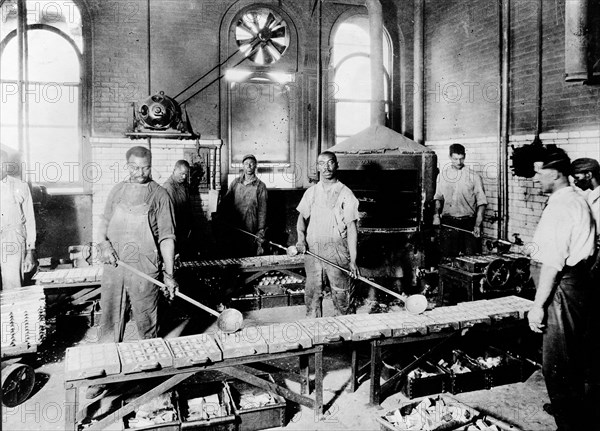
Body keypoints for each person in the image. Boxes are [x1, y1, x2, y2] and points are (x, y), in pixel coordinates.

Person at [527, 149, 595, 431]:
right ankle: (574, 417)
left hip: (561, 289)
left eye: (539, 173)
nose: (536, 178)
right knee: (572, 358)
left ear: (554, 174)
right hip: (576, 283)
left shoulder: (561, 206)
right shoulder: (576, 199)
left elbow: (553, 264)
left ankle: (570, 426)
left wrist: (537, 305)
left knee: (557, 365)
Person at [96, 146, 179, 343]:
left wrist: (169, 274)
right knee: (109, 322)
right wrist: (103, 244)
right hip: (115, 266)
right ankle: (108, 364)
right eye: (135, 168)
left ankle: (150, 366)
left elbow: (167, 238)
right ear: (127, 166)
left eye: (146, 168)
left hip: (144, 268)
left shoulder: (160, 195)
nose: (140, 173)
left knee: (147, 323)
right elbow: (103, 225)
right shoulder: (117, 191)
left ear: (151, 166)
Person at [296, 151, 360, 317]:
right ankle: (315, 338)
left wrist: (353, 260)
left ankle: (346, 337)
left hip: (337, 254)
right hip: (313, 252)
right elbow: (301, 219)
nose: (326, 167)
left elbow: (352, 228)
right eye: (322, 163)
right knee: (312, 299)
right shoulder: (311, 193)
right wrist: (301, 240)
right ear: (317, 167)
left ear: (337, 165)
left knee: (342, 300)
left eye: (330, 162)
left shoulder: (346, 193)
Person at [571, 157, 600, 422]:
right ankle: (577, 402)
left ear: (589, 175)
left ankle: (587, 405)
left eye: (578, 177)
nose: (574, 181)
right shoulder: (589, 198)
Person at [432, 143, 487, 257]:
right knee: (447, 260)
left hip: (468, 224)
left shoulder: (474, 176)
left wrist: (477, 224)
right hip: (448, 223)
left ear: (465, 157)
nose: (458, 162)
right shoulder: (442, 176)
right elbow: (438, 198)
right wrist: (436, 216)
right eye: (455, 159)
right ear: (450, 157)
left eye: (461, 159)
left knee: (470, 259)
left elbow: (481, 203)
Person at [0, 149, 36, 289]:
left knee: (12, 285)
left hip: (13, 238)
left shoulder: (20, 186)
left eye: (2, 164)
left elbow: (30, 221)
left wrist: (30, 251)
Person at [218, 154, 268, 256]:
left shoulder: (260, 186)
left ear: (255, 166)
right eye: (246, 164)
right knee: (234, 251)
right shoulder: (235, 183)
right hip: (236, 223)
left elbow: (263, 210)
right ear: (242, 166)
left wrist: (261, 229)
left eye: (251, 164)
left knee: (249, 252)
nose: (249, 166)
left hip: (251, 224)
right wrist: (219, 215)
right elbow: (226, 202)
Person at [163, 160, 195, 260]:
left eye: (186, 174)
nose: (184, 177)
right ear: (174, 170)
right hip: (175, 227)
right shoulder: (169, 187)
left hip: (185, 227)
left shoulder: (184, 184)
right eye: (182, 174)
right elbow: (170, 212)